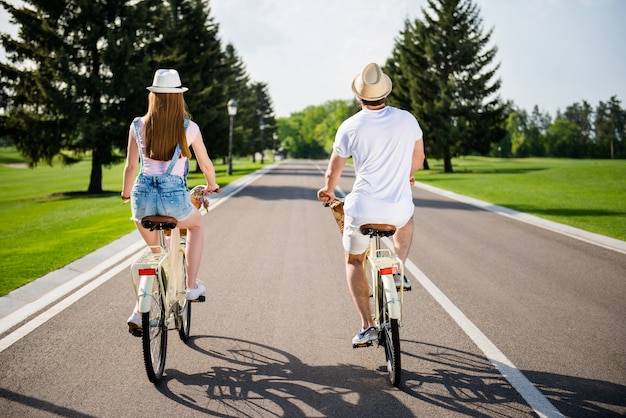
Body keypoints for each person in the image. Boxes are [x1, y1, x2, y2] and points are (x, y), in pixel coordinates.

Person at [317, 62, 425, 346]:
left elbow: (333, 173)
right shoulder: (407, 119)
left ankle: (367, 325)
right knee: (408, 217)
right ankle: (399, 267)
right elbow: (418, 159)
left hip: (362, 209)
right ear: (385, 93)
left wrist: (328, 191)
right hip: (397, 208)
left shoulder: (350, 126)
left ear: (359, 95)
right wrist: (407, 176)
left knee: (354, 260)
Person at [121, 69, 220, 336]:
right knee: (196, 227)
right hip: (174, 200)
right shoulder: (189, 128)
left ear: (153, 95)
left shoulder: (137, 125)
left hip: (141, 201)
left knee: (156, 256)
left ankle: (137, 313)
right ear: (179, 97)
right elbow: (205, 164)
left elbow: (132, 166)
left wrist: (125, 192)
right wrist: (212, 185)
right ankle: (190, 287)